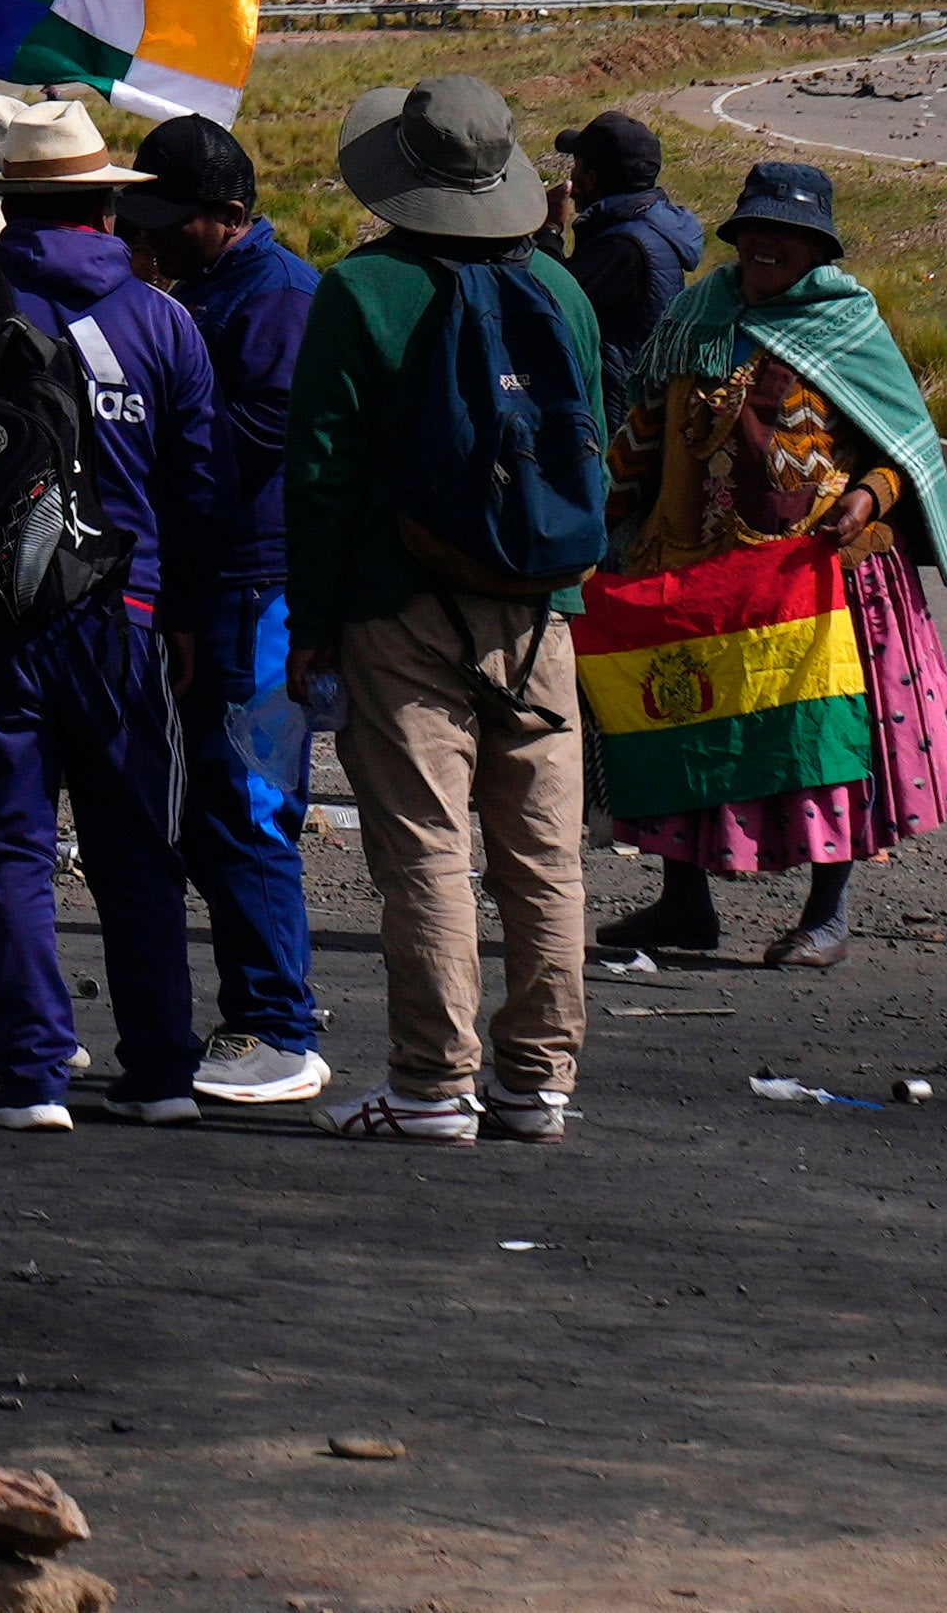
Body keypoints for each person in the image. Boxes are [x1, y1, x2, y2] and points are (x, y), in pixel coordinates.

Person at [282, 72, 607, 1149]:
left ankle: (431, 1085)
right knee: (542, 854)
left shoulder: (361, 291)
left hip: (399, 604)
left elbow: (321, 477)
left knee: (426, 849)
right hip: (536, 614)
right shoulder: (560, 293)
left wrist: (314, 623)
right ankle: (538, 1081)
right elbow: (587, 454)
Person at [0, 86, 221, 1129]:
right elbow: (198, 485)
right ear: (107, 210)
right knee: (137, 849)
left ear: (7, 201)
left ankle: (33, 1070)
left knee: (4, 844)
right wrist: (182, 616)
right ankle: (163, 1069)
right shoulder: (163, 320)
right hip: (124, 615)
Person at [588, 159, 947, 974]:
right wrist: (594, 515)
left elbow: (903, 445)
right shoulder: (700, 311)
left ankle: (826, 914)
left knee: (821, 739)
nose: (766, 246)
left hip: (817, 581)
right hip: (699, 574)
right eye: (754, 230)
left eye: (786, 235)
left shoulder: (847, 323)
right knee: (682, 722)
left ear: (816, 246)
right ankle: (684, 901)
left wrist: (868, 497)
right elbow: (647, 426)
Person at [123, 116, 332, 1114]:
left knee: (249, 805)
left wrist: (144, 447)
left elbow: (256, 436)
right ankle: (261, 1009)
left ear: (232, 218)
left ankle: (278, 1028)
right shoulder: (202, 289)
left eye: (172, 221)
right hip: (213, 587)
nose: (153, 235)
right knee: (214, 805)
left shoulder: (281, 297)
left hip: (258, 587)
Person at [554, 113, 700, 412]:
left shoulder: (623, 248)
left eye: (577, 165)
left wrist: (549, 232)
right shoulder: (648, 227)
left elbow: (551, 302)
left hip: (614, 415)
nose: (571, 176)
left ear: (591, 180)